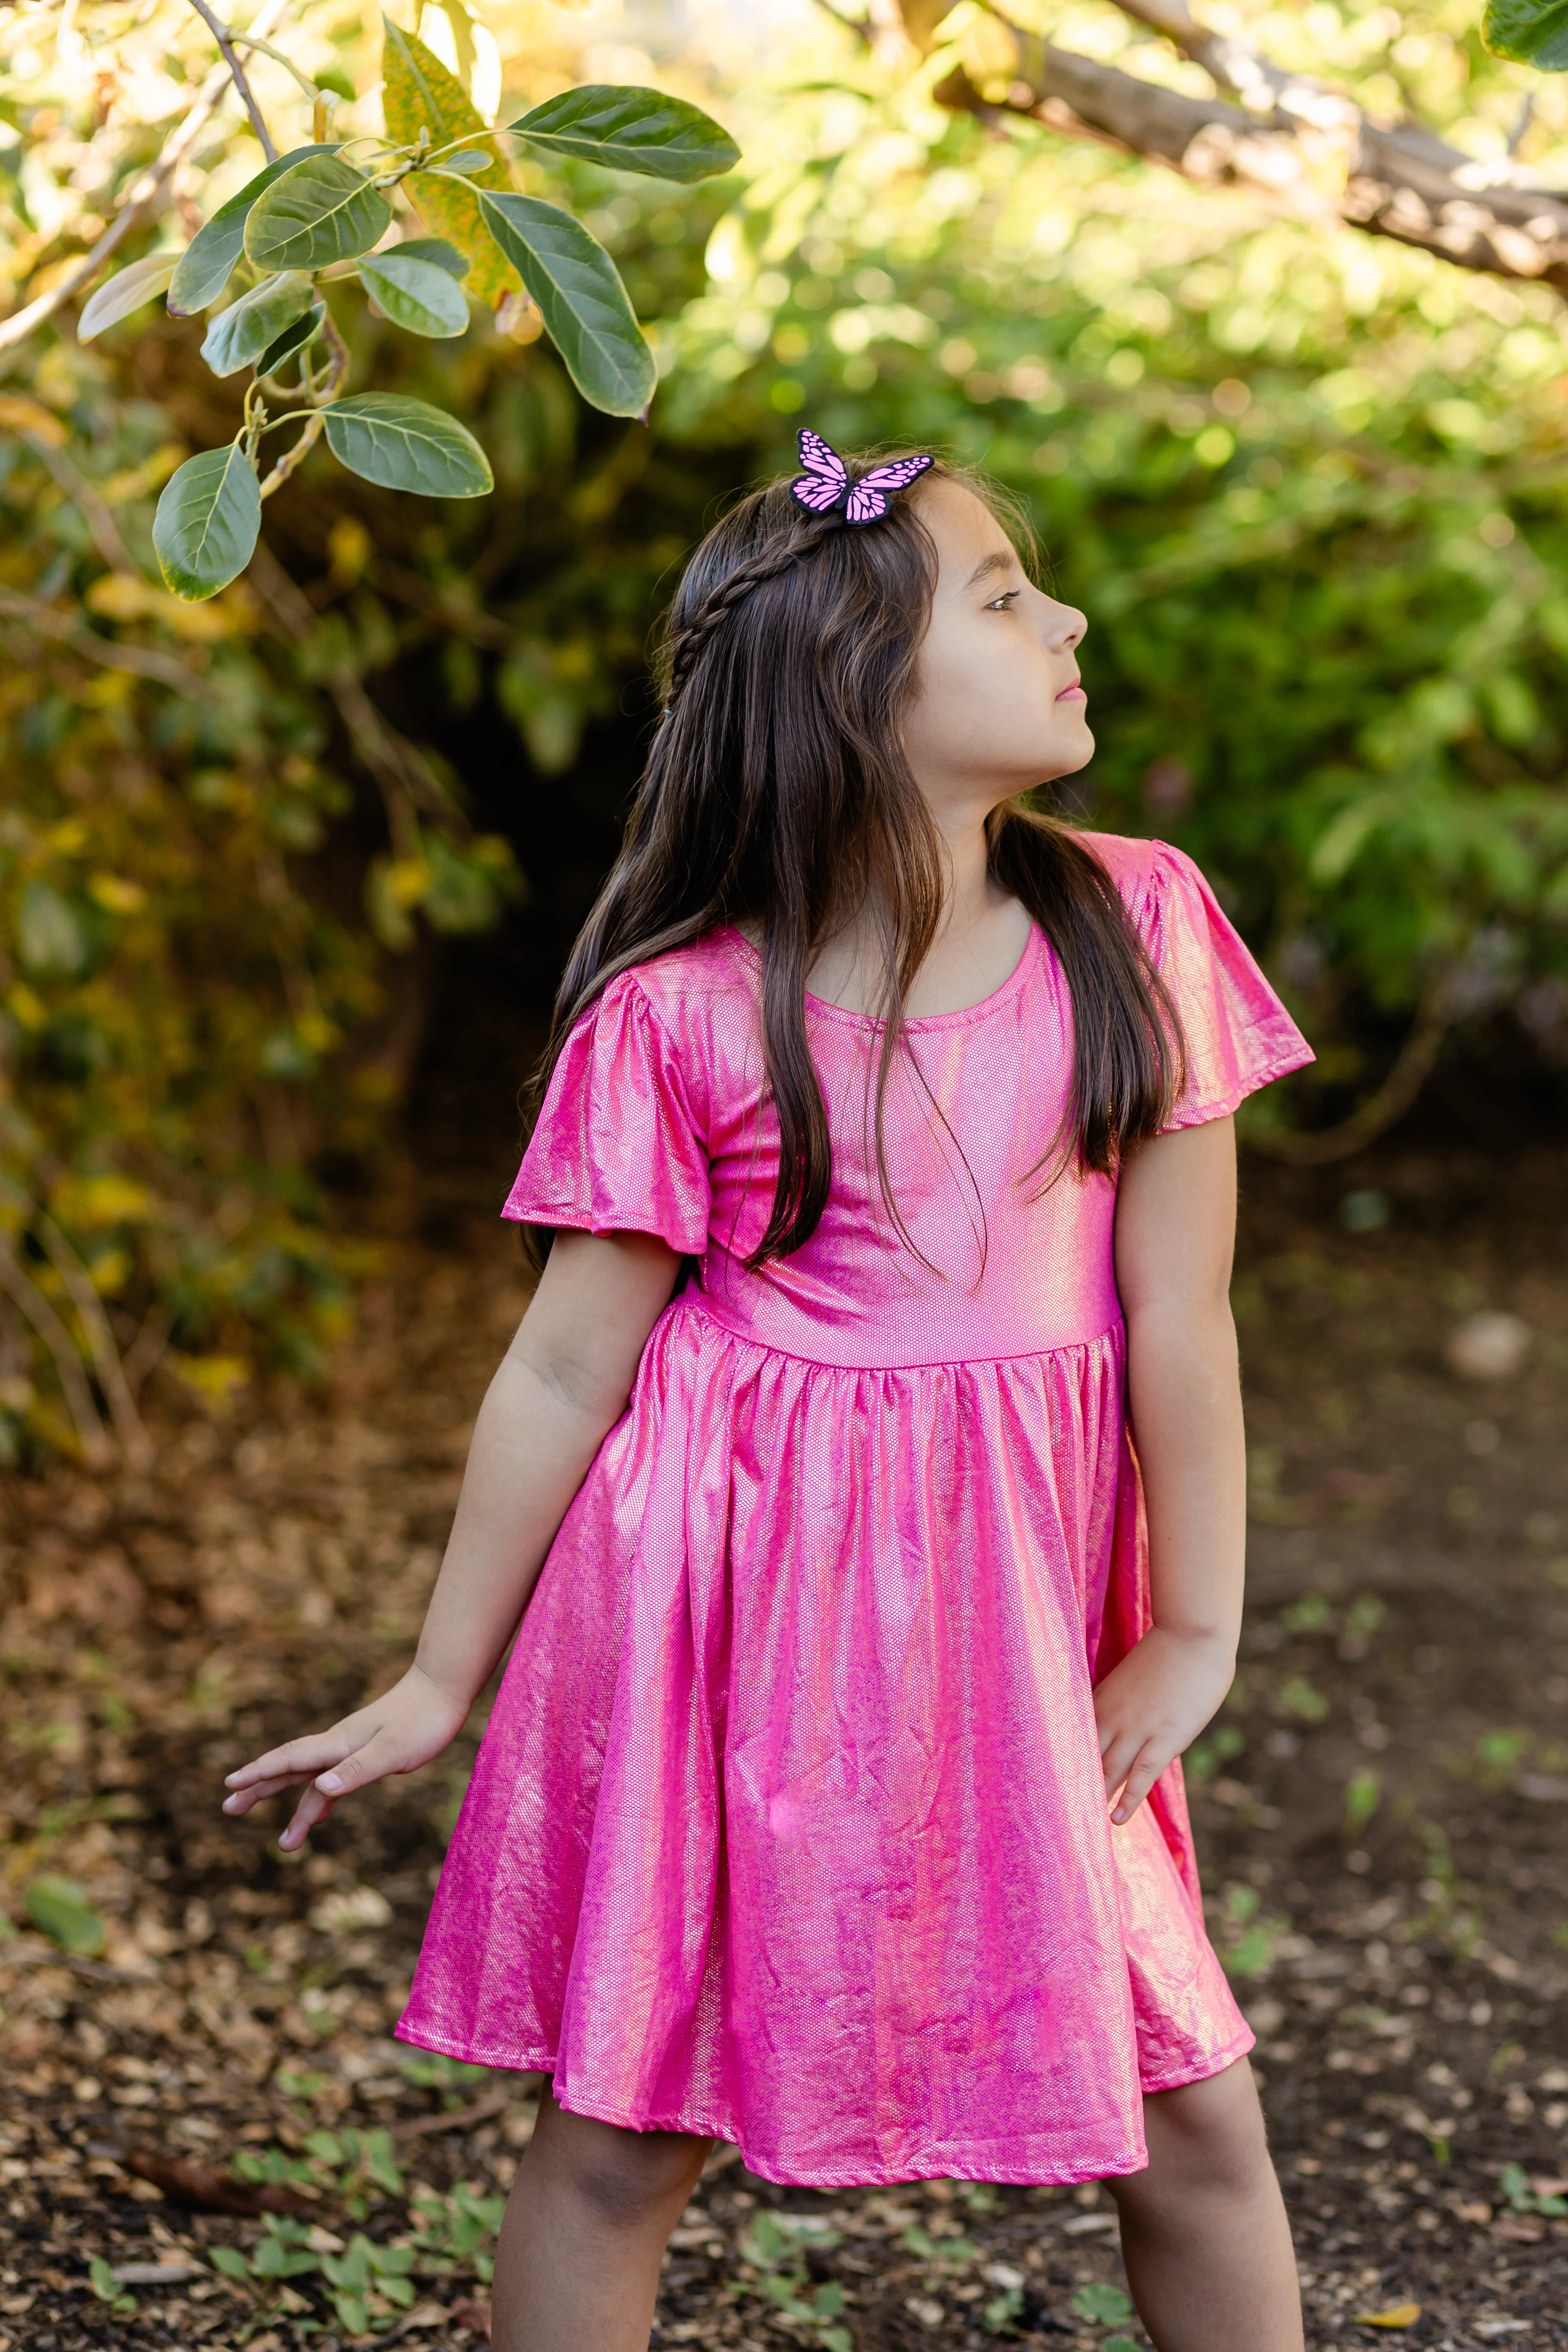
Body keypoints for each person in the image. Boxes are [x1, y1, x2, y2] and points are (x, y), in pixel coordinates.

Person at [222, 435, 1314, 2352]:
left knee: (1188, 2116)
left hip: (1019, 1626)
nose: (1064, 620)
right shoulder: (687, 1015)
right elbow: (567, 1363)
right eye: (1000, 598)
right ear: (850, 692)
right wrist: (435, 1679)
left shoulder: (1135, 926)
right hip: (743, 1626)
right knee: (627, 2134)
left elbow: (1183, 1323)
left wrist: (1202, 1625)